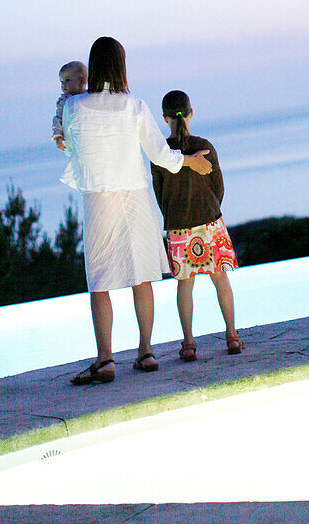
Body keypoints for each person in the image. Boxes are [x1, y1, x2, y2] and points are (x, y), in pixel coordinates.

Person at [62, 37, 212, 385]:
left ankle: (106, 360)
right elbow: (159, 154)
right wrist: (189, 161)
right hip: (135, 198)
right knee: (140, 275)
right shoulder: (135, 107)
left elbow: (70, 146)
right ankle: (146, 352)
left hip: (99, 199)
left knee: (99, 281)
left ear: (92, 65)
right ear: (121, 65)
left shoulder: (74, 107)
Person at [151, 89, 244, 361]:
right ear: (191, 113)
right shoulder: (205, 145)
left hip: (178, 225)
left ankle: (189, 343)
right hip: (209, 220)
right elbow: (219, 187)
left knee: (184, 285)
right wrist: (211, 209)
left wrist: (172, 215)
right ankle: (232, 336)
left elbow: (159, 194)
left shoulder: (161, 154)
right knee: (220, 279)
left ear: (165, 118)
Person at [51, 60, 88, 152]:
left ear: (82, 81)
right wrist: (58, 136)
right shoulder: (64, 101)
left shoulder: (90, 97)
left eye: (67, 80)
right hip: (71, 142)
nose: (63, 85)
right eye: (61, 82)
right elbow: (58, 119)